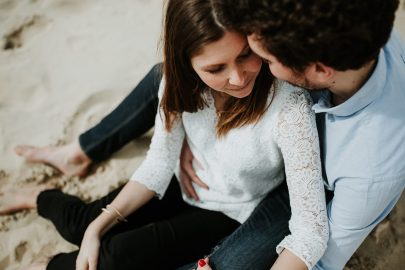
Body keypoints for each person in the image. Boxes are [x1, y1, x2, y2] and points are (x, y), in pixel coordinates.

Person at [1, 0, 328, 270]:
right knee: (84, 225)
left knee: (117, 256)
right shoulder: (176, 84)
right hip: (180, 181)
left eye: (245, 55)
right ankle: (38, 196)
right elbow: (158, 163)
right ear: (187, 64)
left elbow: (310, 227)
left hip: (228, 212)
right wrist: (96, 228)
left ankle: (50, 265)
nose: (239, 77)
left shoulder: (289, 109)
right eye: (216, 68)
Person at [192, 0, 405, 269]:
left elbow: (321, 260)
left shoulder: (371, 172)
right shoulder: (350, 22)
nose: (258, 62)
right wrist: (195, 126)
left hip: (308, 197)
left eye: (267, 60)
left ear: (319, 70)